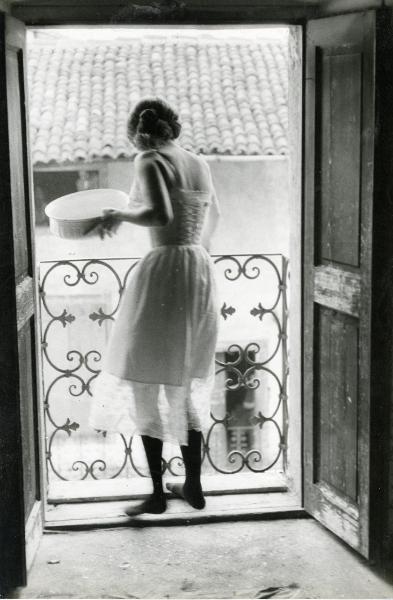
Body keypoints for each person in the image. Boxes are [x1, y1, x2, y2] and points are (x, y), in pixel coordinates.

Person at [89, 97, 220, 516]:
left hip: (164, 268)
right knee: (181, 377)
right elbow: (214, 215)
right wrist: (196, 257)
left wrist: (118, 214)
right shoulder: (198, 162)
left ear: (138, 131)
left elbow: (160, 214)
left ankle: (158, 493)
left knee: (145, 376)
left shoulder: (148, 158)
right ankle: (194, 488)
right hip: (198, 269)